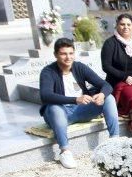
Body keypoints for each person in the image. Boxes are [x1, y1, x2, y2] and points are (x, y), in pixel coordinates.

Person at [39, 38, 119, 169]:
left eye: (71, 53)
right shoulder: (48, 71)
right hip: (60, 113)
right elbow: (45, 95)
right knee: (54, 108)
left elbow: (106, 85)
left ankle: (115, 141)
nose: (68, 57)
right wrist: (75, 99)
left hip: (81, 110)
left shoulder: (79, 67)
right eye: (63, 54)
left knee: (109, 98)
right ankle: (65, 151)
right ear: (55, 55)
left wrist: (102, 95)